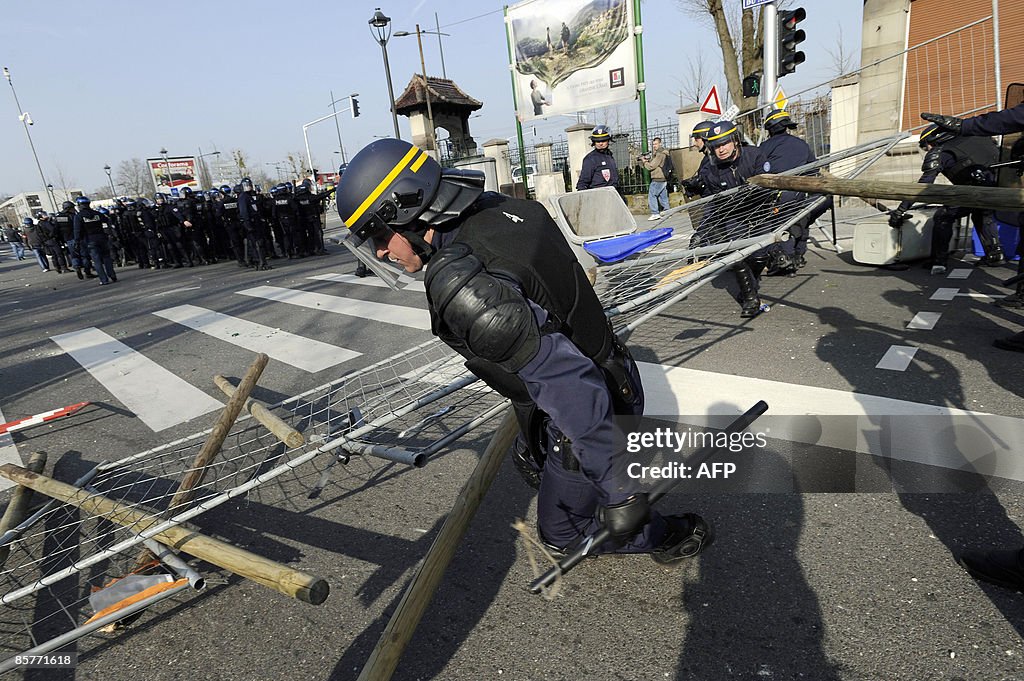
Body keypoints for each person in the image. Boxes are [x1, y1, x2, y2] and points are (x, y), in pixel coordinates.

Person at [335, 138, 711, 565]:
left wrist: (619, 490)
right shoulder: (501, 209)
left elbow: (570, 386)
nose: (380, 251)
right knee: (535, 457)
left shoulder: (465, 285)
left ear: (406, 209)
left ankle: (665, 534)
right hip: (608, 371)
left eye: (379, 235)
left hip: (585, 415)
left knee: (562, 535)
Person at [918, 104, 1024, 586]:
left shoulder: (950, 150)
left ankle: (949, 259)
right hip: (983, 192)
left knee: (953, 215)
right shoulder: (961, 148)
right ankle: (997, 255)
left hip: (973, 194)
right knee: (976, 212)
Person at [888, 123, 1004, 275]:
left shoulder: (939, 152)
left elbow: (923, 185)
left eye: (925, 146)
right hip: (1001, 186)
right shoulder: (976, 136)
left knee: (943, 215)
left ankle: (939, 261)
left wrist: (901, 210)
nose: (927, 149)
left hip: (974, 191)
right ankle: (995, 254)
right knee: (982, 213)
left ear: (933, 141)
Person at [696, 119, 773, 317]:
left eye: (724, 143)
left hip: (759, 212)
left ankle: (749, 286)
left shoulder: (755, 156)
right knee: (738, 256)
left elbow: (767, 187)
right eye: (715, 146)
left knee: (760, 256)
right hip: (733, 216)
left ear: (735, 140)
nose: (721, 149)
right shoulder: (711, 170)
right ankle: (750, 298)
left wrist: (747, 194)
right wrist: (703, 231)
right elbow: (713, 202)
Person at [758, 109, 823, 270]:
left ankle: (785, 261)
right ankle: (799, 255)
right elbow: (813, 170)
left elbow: (758, 170)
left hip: (777, 196)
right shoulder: (802, 144)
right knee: (800, 222)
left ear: (770, 128)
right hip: (801, 194)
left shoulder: (765, 147)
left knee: (780, 225)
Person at [72, 196, 117, 285]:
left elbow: (77, 230)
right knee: (107, 257)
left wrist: (77, 242)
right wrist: (110, 234)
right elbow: (107, 221)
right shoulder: (97, 214)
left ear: (79, 205)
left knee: (97, 260)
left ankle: (104, 280)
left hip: (89, 240)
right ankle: (112, 275)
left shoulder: (79, 216)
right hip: (102, 238)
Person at [576, 125, 619, 192]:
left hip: (613, 194)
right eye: (598, 141)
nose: (600, 143)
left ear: (608, 140)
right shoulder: (590, 159)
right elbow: (583, 183)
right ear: (594, 142)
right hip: (598, 196)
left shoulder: (609, 156)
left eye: (603, 141)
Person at [641, 137, 670, 221]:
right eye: (653, 144)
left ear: (660, 144)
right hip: (663, 177)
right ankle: (667, 212)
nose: (654, 146)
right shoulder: (663, 153)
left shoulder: (660, 154)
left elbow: (651, 166)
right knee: (663, 196)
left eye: (656, 144)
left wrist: (644, 162)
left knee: (652, 195)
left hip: (658, 177)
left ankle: (655, 213)